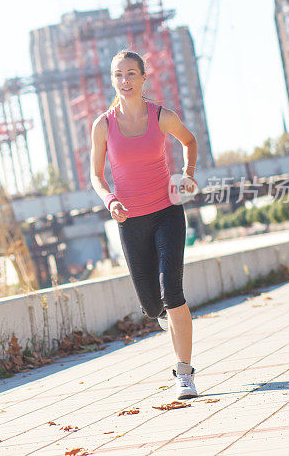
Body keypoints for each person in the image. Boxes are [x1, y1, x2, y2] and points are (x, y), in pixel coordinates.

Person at [89, 49, 200, 400]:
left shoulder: (161, 117)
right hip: (130, 219)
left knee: (173, 294)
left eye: (132, 74)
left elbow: (190, 141)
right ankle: (168, 319)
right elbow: (95, 175)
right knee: (153, 306)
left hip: (167, 211)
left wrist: (188, 175)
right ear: (113, 80)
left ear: (143, 78)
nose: (125, 80)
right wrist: (110, 200)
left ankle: (184, 374)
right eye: (119, 75)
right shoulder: (103, 125)